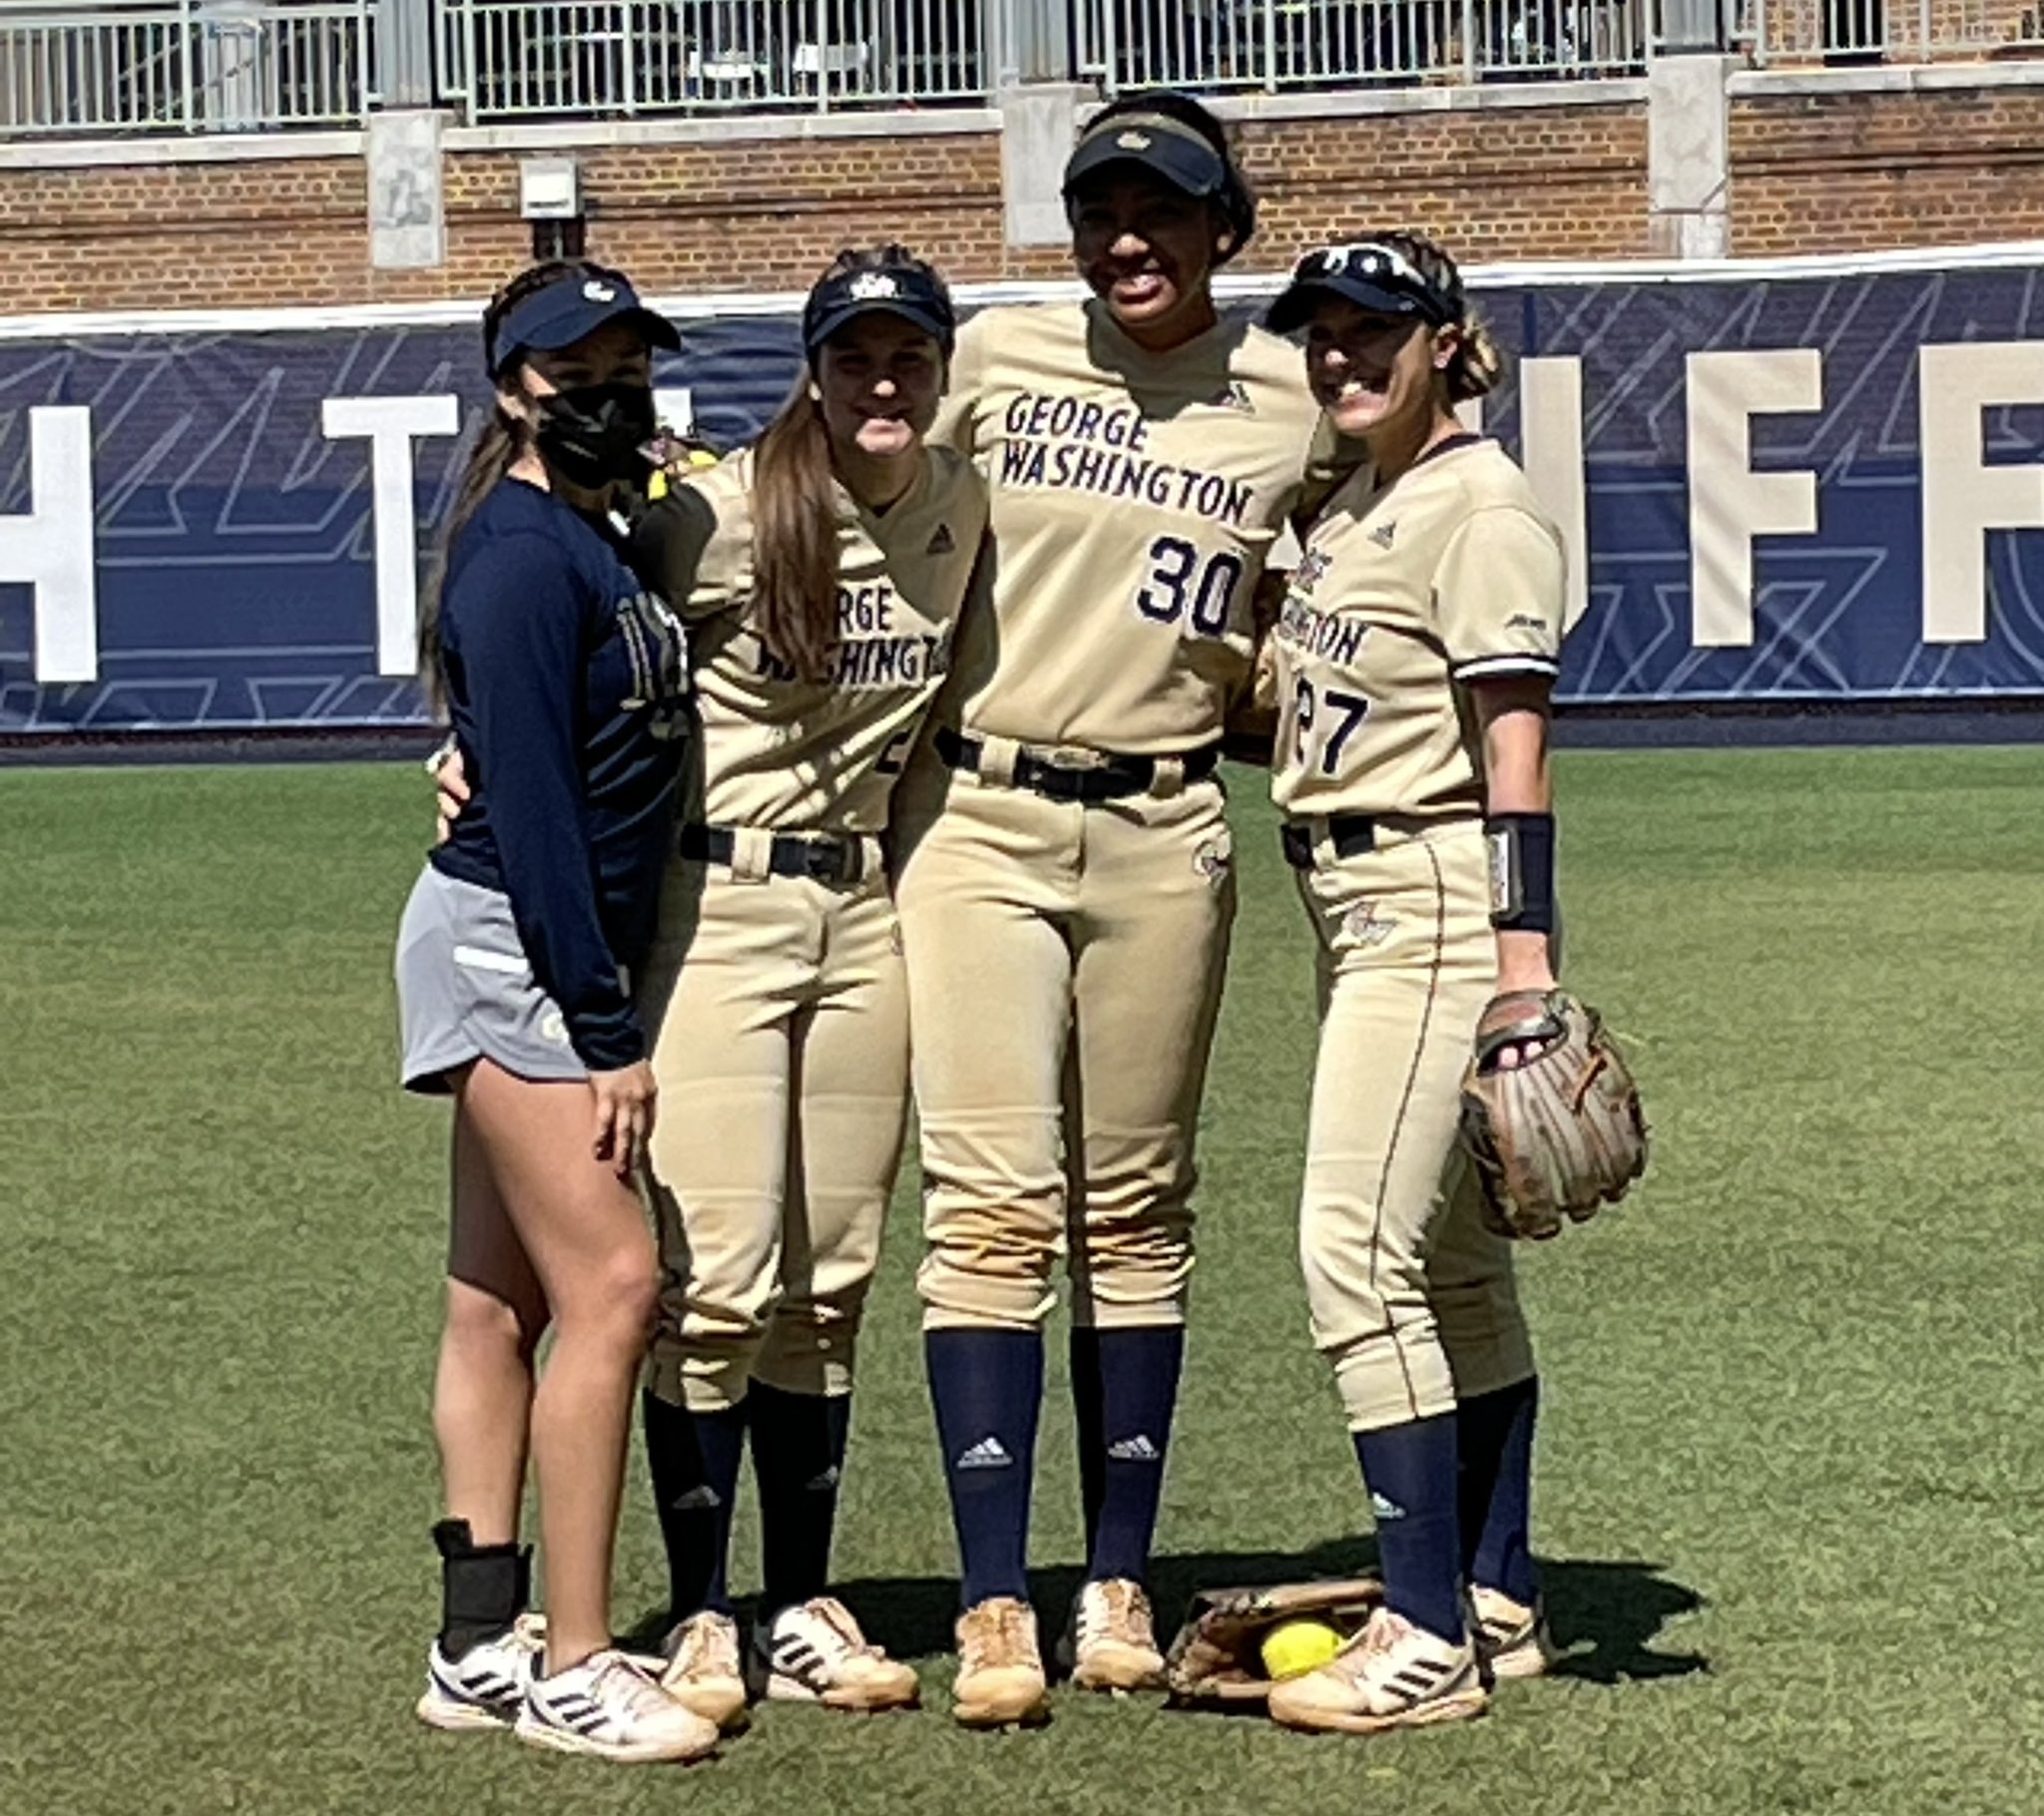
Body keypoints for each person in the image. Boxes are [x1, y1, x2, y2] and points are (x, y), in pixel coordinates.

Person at [890, 92, 1349, 1726]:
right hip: (982, 818)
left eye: (1166, 212)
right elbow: (821, 488)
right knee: (990, 1207)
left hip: (1165, 831)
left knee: (1139, 1211)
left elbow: (1402, 518)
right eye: (1101, 211)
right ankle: (997, 1599)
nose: (1129, 239)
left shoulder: (1298, 399)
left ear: (1228, 229)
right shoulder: (998, 360)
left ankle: (1116, 1583)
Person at [625, 247, 987, 1723]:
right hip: (718, 904)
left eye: (907, 357)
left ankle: (801, 1600)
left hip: (867, 916)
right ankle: (702, 1608)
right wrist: (469, 746)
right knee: (715, 1282)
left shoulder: (962, 505)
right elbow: (568, 613)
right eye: (855, 359)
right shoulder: (714, 512)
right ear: (814, 370)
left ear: (941, 369)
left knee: (830, 1283)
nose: (882, 382)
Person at [1249, 232, 1569, 1735]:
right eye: (1320, 332)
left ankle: (1424, 1627)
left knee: (1349, 1257)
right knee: (1452, 1271)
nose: (1340, 354)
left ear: (1445, 339)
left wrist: (1527, 963)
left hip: (1433, 900)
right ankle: (1498, 1597)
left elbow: (1516, 751)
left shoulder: (1480, 507)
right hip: (1352, 892)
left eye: (1372, 328)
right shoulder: (1361, 501)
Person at [396, 259, 715, 1764]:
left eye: (627, 365)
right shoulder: (524, 555)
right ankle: (577, 1659)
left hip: (514, 937)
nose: (609, 395)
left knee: (497, 1302)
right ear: (513, 387)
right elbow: (527, 806)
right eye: (573, 370)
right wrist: (604, 1028)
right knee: (615, 1292)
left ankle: (475, 1645)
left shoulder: (594, 534)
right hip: (517, 949)